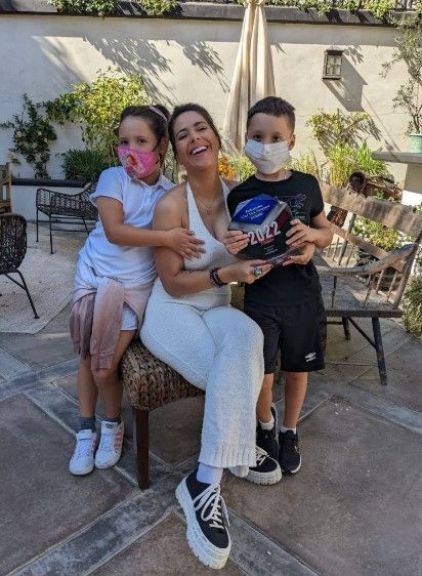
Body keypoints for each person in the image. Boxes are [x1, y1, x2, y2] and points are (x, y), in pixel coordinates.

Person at [140, 103, 281, 570]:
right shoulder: (171, 206)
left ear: (216, 138)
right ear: (177, 152)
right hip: (171, 312)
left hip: (216, 307)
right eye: (182, 134)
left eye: (201, 128)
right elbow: (172, 283)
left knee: (248, 336)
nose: (194, 138)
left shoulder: (239, 196)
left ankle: (217, 464)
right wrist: (228, 273)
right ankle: (210, 477)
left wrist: (278, 253)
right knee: (232, 371)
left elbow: (259, 251)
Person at [68, 104, 204, 477]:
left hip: (132, 292)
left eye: (141, 141)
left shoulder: (169, 194)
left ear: (161, 147)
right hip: (92, 278)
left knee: (103, 366)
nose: (130, 150)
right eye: (124, 141)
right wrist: (167, 237)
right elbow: (114, 231)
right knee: (86, 357)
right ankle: (85, 429)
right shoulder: (113, 178)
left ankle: (112, 423)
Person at [225, 96, 333, 478]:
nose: (266, 145)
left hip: (302, 295)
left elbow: (326, 232)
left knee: (297, 367)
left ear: (292, 141)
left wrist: (312, 239)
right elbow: (239, 247)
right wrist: (234, 248)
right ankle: (266, 424)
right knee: (263, 372)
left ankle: (290, 431)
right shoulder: (239, 195)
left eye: (276, 137)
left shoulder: (306, 185)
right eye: (257, 136)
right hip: (261, 298)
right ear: (246, 138)